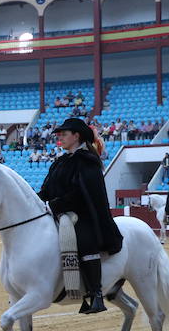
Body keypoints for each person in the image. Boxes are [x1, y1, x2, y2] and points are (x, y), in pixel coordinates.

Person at [37, 117, 123, 315]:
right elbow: (47, 189)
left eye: (64, 134)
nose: (60, 138)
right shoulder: (61, 161)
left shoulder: (87, 160)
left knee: (83, 238)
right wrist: (36, 201)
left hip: (82, 213)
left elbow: (83, 194)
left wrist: (56, 204)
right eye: (59, 135)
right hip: (58, 211)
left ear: (76, 136)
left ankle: (96, 293)